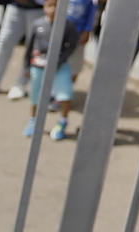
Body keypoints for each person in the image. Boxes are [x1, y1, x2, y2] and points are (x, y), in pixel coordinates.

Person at [22, 0, 87, 141]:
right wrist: (27, 66)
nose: (53, 10)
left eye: (57, 6)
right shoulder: (38, 24)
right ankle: (33, 120)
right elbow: (29, 46)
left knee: (65, 94)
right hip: (38, 66)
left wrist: (60, 60)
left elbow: (72, 45)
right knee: (35, 94)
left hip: (60, 66)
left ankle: (62, 121)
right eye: (50, 6)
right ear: (44, 7)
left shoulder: (68, 26)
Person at [0, 0, 45, 97]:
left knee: (32, 47)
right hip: (15, 5)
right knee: (4, 42)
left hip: (38, 8)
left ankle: (22, 84)